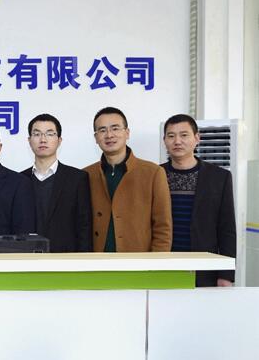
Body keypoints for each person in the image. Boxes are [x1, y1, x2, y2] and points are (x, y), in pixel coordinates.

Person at [161, 113, 236, 286]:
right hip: (163, 265)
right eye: (171, 136)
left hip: (203, 268)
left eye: (184, 135)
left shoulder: (219, 177)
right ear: (164, 140)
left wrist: (226, 275)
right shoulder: (155, 175)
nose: (177, 141)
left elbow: (227, 229)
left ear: (197, 138)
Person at [84, 107, 172, 252]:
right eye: (102, 130)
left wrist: (157, 261)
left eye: (115, 128)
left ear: (127, 133)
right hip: (96, 260)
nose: (109, 135)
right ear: (96, 138)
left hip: (137, 260)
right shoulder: (86, 174)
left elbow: (163, 227)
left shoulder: (153, 173)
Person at [20, 113, 92, 252]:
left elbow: (84, 226)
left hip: (65, 258)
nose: (43, 139)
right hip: (27, 257)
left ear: (59, 140)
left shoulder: (77, 178)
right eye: (37, 134)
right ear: (29, 140)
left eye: (50, 134)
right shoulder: (19, 180)